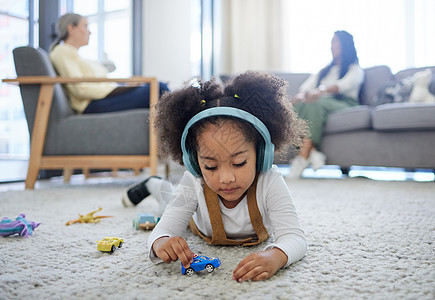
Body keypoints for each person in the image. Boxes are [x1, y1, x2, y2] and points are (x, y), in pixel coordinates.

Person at [122, 71, 308, 282]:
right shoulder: (193, 183)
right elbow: (162, 230)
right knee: (166, 201)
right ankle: (153, 184)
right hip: (193, 219)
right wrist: (162, 241)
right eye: (210, 166)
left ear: (262, 154)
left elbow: (294, 237)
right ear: (194, 161)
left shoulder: (270, 181)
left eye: (239, 163)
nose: (226, 178)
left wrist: (276, 255)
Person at [49, 13, 169, 114]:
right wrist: (117, 89)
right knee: (159, 88)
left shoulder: (76, 55)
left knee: (156, 88)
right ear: (71, 29)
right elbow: (79, 89)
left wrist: (123, 86)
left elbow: (95, 84)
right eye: (85, 26)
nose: (89, 32)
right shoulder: (61, 51)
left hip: (100, 100)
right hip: (92, 105)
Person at [288, 30, 364, 179]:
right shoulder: (324, 71)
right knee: (298, 106)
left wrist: (320, 91)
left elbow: (342, 86)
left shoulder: (355, 69)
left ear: (345, 45)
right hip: (321, 102)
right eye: (331, 42)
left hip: (345, 103)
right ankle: (314, 152)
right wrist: (301, 96)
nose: (332, 46)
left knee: (315, 103)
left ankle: (302, 158)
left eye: (335, 42)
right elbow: (306, 86)